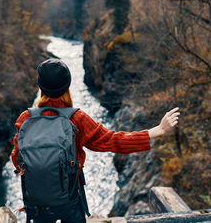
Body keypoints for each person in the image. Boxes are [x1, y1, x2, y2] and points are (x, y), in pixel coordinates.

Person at [11, 58, 180, 223]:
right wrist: (155, 131)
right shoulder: (76, 119)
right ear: (67, 86)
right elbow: (113, 141)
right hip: (69, 200)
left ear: (41, 86)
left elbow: (16, 159)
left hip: (36, 202)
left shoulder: (25, 119)